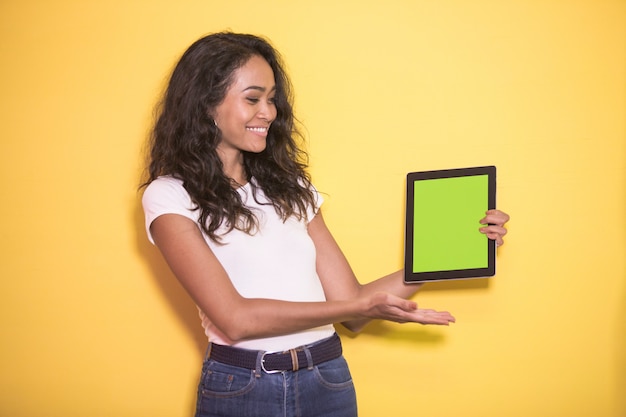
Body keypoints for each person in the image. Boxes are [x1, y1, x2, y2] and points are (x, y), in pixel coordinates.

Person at [141, 32, 509, 417]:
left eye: (271, 99)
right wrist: (358, 303)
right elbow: (235, 320)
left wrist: (454, 248)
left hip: (327, 378)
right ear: (205, 105)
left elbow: (351, 307)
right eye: (252, 99)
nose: (268, 113)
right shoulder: (169, 196)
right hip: (246, 387)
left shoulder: (291, 187)